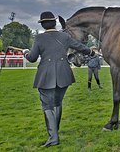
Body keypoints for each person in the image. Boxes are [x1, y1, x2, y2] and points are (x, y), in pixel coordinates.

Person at [23, 11, 95, 148]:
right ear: (55, 23)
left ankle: (53, 137)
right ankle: (55, 131)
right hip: (63, 74)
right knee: (57, 102)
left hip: (46, 75)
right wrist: (91, 52)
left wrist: (25, 52)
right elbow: (79, 47)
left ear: (43, 25)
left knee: (47, 105)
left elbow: (32, 58)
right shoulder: (64, 36)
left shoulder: (39, 38)